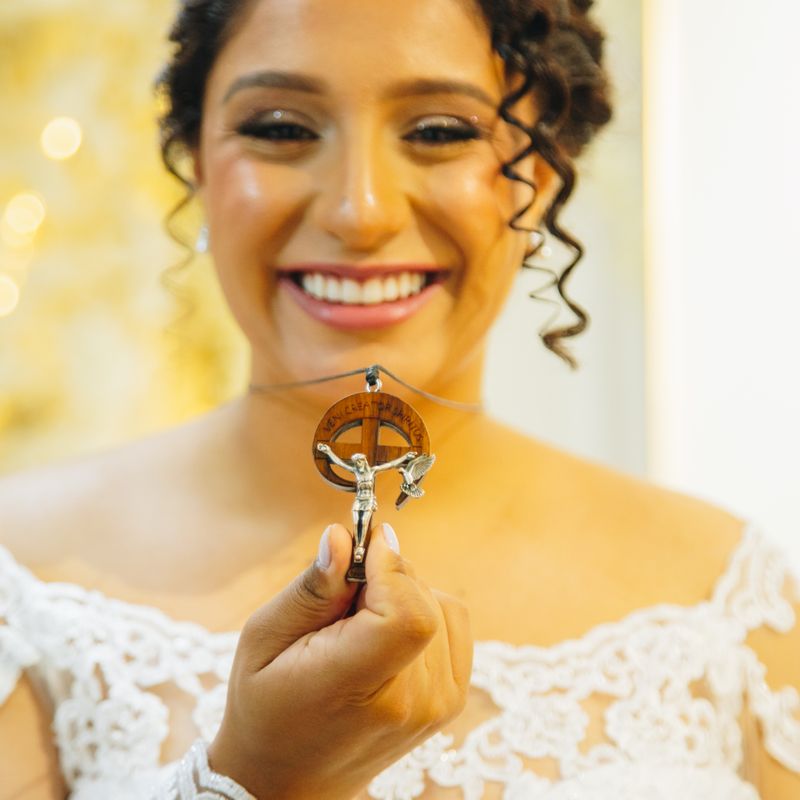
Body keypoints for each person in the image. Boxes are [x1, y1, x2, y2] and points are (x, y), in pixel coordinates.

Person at [0, 0, 797, 797]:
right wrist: (261, 778)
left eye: (441, 131)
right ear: (196, 160)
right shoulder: (23, 572)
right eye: (281, 127)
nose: (360, 212)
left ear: (544, 172)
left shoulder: (726, 597)